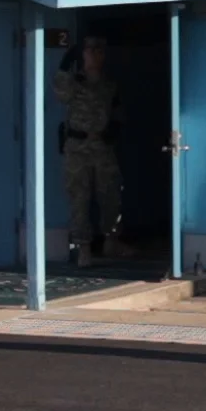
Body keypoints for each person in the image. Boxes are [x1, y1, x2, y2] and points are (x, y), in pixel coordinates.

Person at [54, 35, 130, 267]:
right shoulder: (74, 82)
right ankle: (83, 248)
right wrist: (68, 59)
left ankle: (111, 241)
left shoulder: (109, 84)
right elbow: (60, 91)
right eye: (91, 50)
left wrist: (114, 130)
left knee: (110, 194)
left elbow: (118, 110)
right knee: (79, 197)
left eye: (100, 50)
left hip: (102, 147)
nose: (97, 54)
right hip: (77, 147)